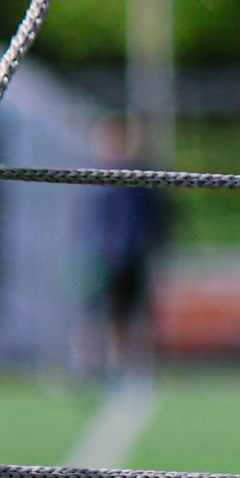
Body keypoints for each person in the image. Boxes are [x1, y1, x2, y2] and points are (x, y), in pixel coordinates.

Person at [85, 114, 172, 381]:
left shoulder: (142, 179)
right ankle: (106, 365)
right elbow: (89, 222)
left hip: (135, 256)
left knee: (140, 313)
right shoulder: (93, 179)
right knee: (103, 312)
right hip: (104, 257)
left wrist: (157, 248)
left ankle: (139, 365)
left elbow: (157, 217)